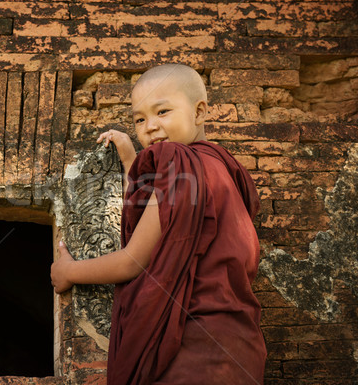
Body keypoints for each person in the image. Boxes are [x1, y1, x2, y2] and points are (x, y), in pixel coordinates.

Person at [50, 63, 267, 384]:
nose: (150, 126)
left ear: (200, 111)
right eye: (139, 119)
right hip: (239, 348)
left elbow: (134, 260)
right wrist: (130, 160)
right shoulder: (224, 168)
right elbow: (160, 214)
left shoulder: (181, 168)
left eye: (162, 111)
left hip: (190, 351)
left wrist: (68, 272)